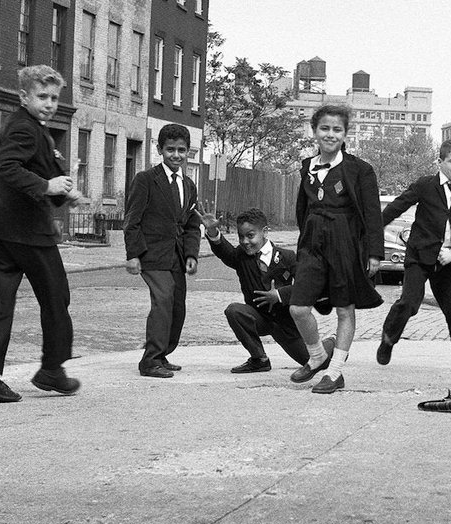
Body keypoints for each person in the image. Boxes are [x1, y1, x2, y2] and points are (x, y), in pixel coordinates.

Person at [0, 65, 82, 403]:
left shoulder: (30, 126)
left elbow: (33, 171)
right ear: (24, 96)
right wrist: (48, 185)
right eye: (42, 96)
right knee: (56, 297)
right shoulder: (26, 128)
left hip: (1, 229)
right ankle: (51, 369)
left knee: (2, 302)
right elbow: (5, 167)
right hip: (27, 233)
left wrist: (63, 192)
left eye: (54, 98)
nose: (49, 103)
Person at [288, 104, 384, 393]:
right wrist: (305, 239)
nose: (330, 134)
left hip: (345, 244)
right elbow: (302, 209)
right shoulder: (307, 167)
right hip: (313, 243)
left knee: (345, 309)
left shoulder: (360, 170)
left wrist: (374, 253)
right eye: (325, 128)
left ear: (345, 134)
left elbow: (372, 214)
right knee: (298, 307)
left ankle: (336, 371)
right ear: (314, 131)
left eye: (337, 129)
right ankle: (317, 355)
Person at [376, 139, 451, 373]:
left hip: (448, 259)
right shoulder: (425, 185)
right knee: (410, 302)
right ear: (440, 162)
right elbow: (396, 208)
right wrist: (372, 233)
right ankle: (389, 338)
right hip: (419, 256)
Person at [200, 205, 334, 374]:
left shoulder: (287, 257)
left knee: (319, 363)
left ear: (265, 232)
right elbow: (224, 251)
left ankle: (332, 342)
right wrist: (213, 232)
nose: (245, 242)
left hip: (285, 324)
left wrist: (279, 295)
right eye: (241, 237)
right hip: (260, 318)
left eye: (250, 236)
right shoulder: (241, 256)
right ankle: (259, 359)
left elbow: (307, 285)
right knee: (234, 311)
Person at [124, 123, 203, 379]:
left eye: (181, 150)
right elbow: (132, 220)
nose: (176, 155)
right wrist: (133, 255)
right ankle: (150, 360)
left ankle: (163, 354)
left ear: (188, 151)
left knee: (177, 306)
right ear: (160, 149)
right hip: (153, 255)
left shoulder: (189, 185)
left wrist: (191, 254)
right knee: (163, 300)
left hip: (177, 257)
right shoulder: (146, 180)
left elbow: (192, 225)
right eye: (170, 150)